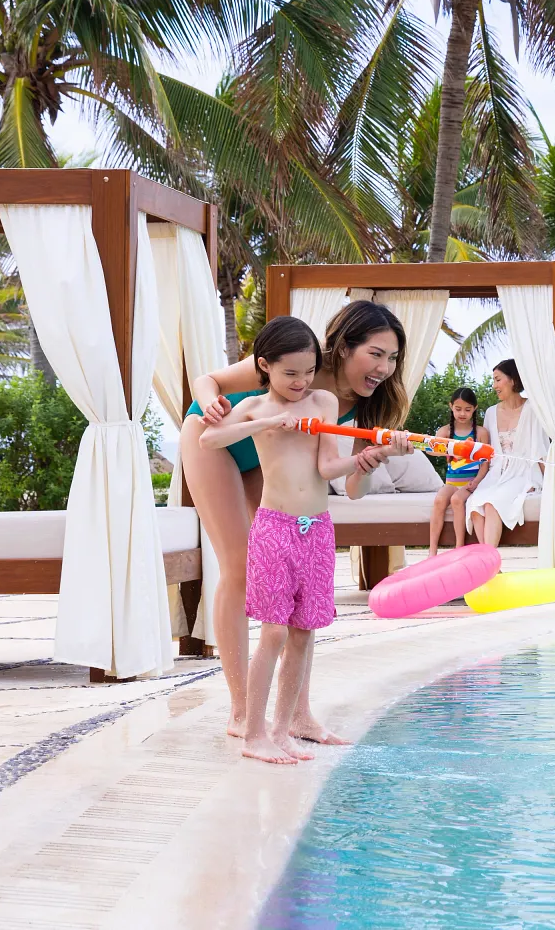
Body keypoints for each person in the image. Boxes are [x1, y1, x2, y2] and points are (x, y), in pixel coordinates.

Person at [182, 301, 405, 740]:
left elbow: (349, 485)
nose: (385, 368)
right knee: (239, 566)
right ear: (343, 347)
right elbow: (208, 380)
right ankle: (242, 710)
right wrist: (210, 406)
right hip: (218, 440)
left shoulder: (355, 403)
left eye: (393, 358)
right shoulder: (296, 356)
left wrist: (371, 461)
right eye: (376, 354)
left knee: (299, 603)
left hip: (269, 462)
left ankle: (298, 715)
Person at [463, 360, 546, 549]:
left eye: (498, 379)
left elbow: (540, 448)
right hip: (496, 473)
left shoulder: (533, 409)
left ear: (513, 380)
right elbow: (485, 451)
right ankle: (489, 562)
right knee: (475, 504)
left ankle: (488, 562)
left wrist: (549, 481)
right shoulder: (491, 412)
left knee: (493, 504)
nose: (494, 386)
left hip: (523, 473)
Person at [426, 387, 490, 555]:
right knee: (440, 499)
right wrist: (448, 449)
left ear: (475, 409)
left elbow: (485, 463)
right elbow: (430, 449)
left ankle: (459, 547)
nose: (462, 413)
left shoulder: (480, 432)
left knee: (456, 500)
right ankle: (432, 550)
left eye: (467, 410)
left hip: (469, 484)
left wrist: (476, 483)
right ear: (451, 406)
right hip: (452, 482)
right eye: (458, 409)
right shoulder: (446, 431)